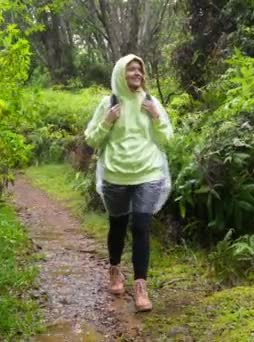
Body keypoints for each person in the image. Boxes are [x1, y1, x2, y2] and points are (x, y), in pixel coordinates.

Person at [84, 54, 173, 312]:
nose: (137, 74)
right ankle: (114, 269)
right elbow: (91, 139)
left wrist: (156, 116)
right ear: (119, 74)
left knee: (142, 226)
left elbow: (167, 139)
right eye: (131, 70)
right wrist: (107, 122)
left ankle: (140, 287)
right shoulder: (108, 103)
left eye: (139, 70)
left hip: (149, 172)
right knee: (118, 225)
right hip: (116, 174)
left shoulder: (150, 102)